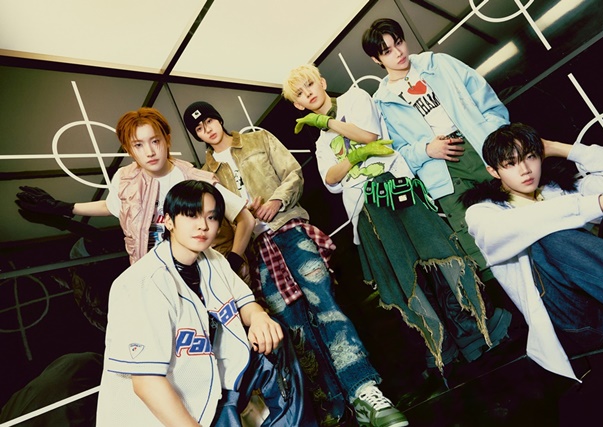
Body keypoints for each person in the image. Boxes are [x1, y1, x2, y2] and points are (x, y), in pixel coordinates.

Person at [182, 101, 407, 427]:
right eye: (200, 129)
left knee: (326, 306)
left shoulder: (258, 139)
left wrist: (276, 200)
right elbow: (218, 228)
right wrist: (238, 236)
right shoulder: (206, 176)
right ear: (197, 136)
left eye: (210, 121)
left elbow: (293, 173)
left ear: (218, 119)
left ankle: (364, 391)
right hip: (256, 252)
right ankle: (334, 409)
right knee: (294, 329)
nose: (208, 130)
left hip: (289, 229)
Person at [282, 64, 511, 377]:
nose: (308, 93)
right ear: (297, 104)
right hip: (365, 208)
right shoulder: (322, 143)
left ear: (321, 81)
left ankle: (475, 332)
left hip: (396, 187)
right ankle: (442, 349)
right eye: (299, 93)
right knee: (405, 278)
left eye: (309, 84)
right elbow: (331, 181)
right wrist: (355, 156)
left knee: (438, 259)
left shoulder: (355, 98)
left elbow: (369, 135)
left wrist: (330, 125)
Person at [96, 180, 316, 426]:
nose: (202, 225)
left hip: (213, 384)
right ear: (168, 221)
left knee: (274, 335)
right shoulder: (140, 283)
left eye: (211, 217)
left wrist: (258, 317)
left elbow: (244, 302)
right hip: (159, 414)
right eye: (191, 215)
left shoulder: (213, 260)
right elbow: (147, 383)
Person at [462, 122, 603, 379]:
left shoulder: (556, 190)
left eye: (530, 157)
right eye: (510, 164)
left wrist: (556, 147)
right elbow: (520, 225)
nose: (525, 170)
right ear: (493, 171)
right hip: (585, 319)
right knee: (549, 237)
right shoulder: (484, 212)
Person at [15, 108, 254, 278]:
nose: (149, 151)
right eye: (138, 145)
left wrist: (232, 261)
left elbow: (246, 218)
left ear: (167, 140)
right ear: (129, 149)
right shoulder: (125, 178)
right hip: (152, 275)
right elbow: (112, 206)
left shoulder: (195, 178)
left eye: (155, 141)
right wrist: (64, 207)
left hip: (200, 274)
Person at [362, 18, 510, 280]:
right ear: (376, 59)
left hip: (481, 149)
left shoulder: (439, 64)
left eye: (399, 43)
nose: (399, 53)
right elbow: (398, 154)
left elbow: (487, 100)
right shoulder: (382, 102)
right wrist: (427, 150)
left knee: (518, 210)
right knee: (480, 244)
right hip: (442, 172)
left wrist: (493, 137)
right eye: (387, 51)